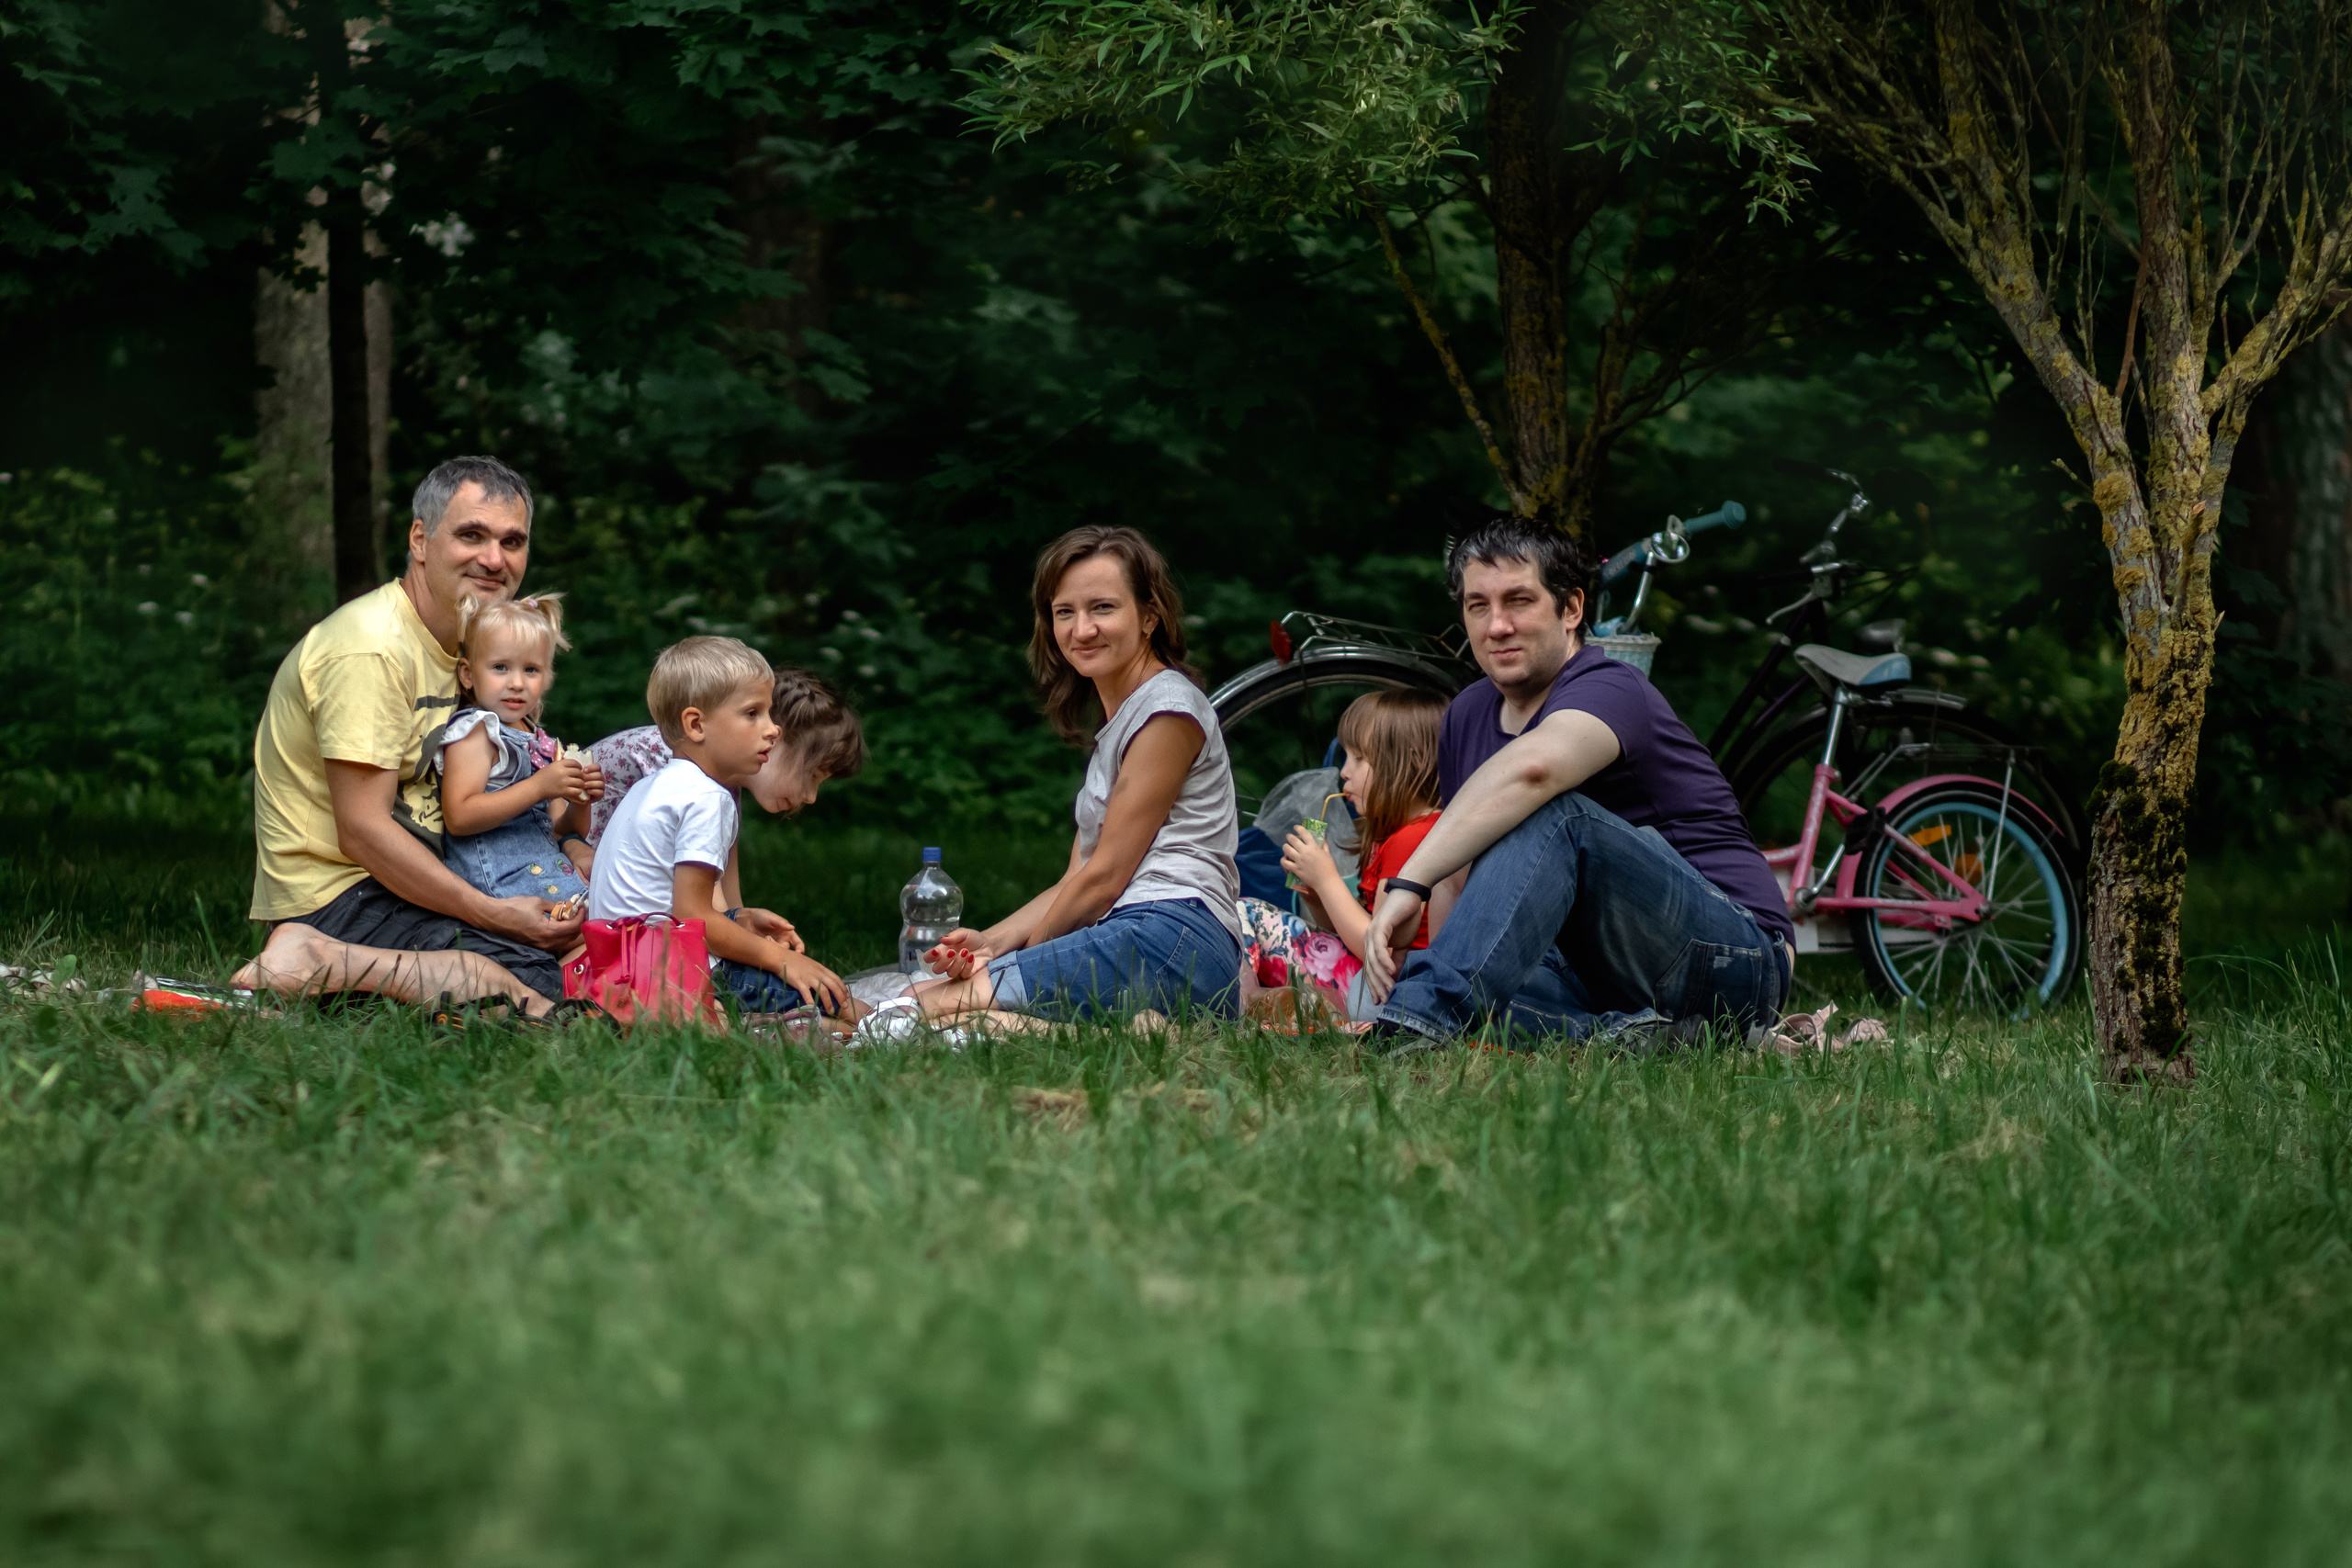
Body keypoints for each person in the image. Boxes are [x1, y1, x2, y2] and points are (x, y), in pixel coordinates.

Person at [1361, 513, 1794, 1050]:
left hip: (1736, 959)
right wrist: (1441, 970)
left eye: (1519, 601)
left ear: (1571, 609)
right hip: (1593, 970)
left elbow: (1534, 772)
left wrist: (1408, 882)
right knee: (1451, 984)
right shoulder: (1467, 714)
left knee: (1551, 811)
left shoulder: (1610, 686)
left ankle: (1418, 1027)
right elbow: (1457, 880)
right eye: (1478, 606)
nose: (1497, 626)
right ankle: (1641, 1038)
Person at [235, 456, 585, 1016]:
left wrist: (571, 845)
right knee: (545, 984)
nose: (494, 559)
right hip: (341, 894)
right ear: (420, 540)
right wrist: (493, 915)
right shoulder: (370, 649)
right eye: (472, 535)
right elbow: (363, 831)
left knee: (589, 949)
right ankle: (317, 957)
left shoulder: (478, 650)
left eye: (512, 542)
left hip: (425, 879)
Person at [882, 525, 1241, 1029]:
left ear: (1150, 616)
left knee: (915, 1008)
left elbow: (1104, 880)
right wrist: (992, 943)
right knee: (939, 1007)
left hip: (1172, 938)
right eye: (1064, 612)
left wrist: (1020, 961)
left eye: (1103, 608)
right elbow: (1076, 879)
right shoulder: (1126, 719)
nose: (1082, 630)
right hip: (1146, 939)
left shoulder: (1167, 711)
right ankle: (1144, 1034)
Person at [587, 637, 859, 1019]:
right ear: (696, 725)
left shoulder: (658, 784)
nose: (773, 729)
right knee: (832, 999)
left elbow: (684, 905)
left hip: (622, 964)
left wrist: (738, 919)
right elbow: (693, 915)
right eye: (753, 713)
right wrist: (781, 960)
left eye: (769, 714)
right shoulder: (706, 798)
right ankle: (902, 1017)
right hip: (665, 973)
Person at [568, 668, 866, 920]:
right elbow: (704, 909)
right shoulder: (679, 761)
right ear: (774, 735)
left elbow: (724, 893)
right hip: (571, 877)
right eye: (811, 776)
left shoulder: (723, 784)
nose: (811, 796)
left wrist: (747, 933)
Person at [1238, 688, 1447, 1021]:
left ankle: (1241, 1006)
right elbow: (1355, 932)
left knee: (1244, 911)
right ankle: (1280, 1003)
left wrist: (1327, 880)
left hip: (1387, 993)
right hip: (1382, 987)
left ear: (1407, 762)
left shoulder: (1412, 839)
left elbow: (1378, 950)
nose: (1343, 772)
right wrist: (1317, 895)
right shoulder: (1401, 834)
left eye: (1359, 758)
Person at [436, 592, 602, 908]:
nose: (516, 682)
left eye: (531, 670)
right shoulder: (477, 730)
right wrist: (539, 786)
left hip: (545, 868)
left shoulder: (541, 740)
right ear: (468, 674)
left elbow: (558, 829)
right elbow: (458, 816)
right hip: (501, 881)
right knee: (598, 921)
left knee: (621, 910)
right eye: (500, 667)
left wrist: (581, 801)